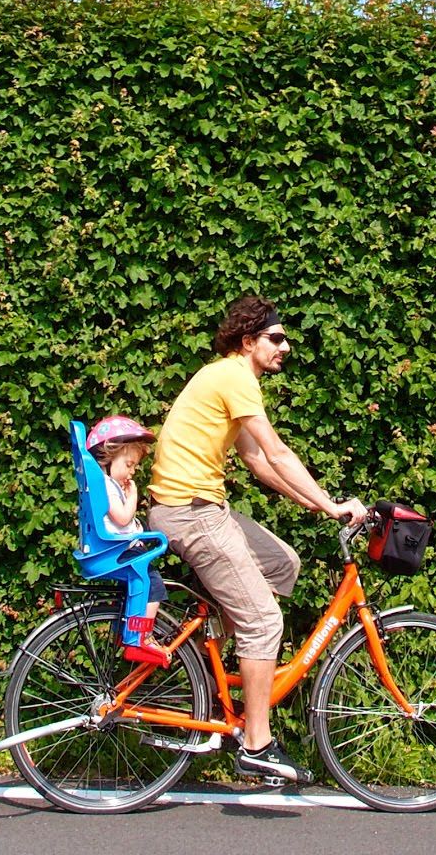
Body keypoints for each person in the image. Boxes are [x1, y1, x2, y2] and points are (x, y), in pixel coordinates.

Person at [146, 295, 367, 785]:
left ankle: (210, 674)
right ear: (248, 342)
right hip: (190, 512)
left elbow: (256, 460)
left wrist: (317, 504)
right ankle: (256, 745)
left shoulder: (228, 377)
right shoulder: (235, 377)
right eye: (276, 338)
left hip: (200, 507)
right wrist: (332, 503)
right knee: (264, 621)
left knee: (282, 563)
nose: (285, 347)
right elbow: (278, 451)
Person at [86, 415, 169, 665]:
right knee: (152, 585)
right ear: (107, 457)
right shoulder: (105, 486)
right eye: (129, 464)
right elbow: (122, 519)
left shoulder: (105, 483)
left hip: (115, 549)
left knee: (135, 587)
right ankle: (141, 637)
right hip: (116, 552)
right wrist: (133, 497)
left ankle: (127, 632)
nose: (132, 472)